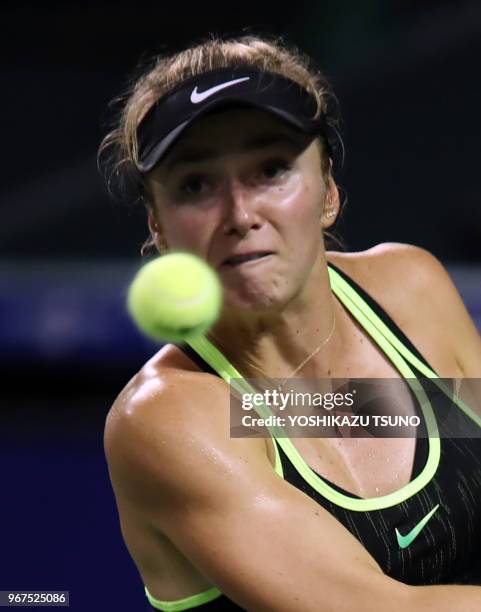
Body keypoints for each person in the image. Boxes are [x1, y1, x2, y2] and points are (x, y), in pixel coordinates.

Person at [100, 35, 481, 611]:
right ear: (158, 226)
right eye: (196, 185)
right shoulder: (167, 420)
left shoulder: (411, 289)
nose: (240, 214)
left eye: (272, 170)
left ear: (327, 191)